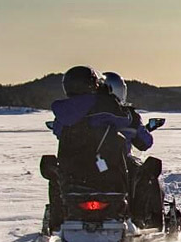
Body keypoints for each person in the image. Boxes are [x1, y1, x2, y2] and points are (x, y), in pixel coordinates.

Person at [42, 66, 166, 232]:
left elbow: (58, 130)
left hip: (74, 175)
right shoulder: (106, 105)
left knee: (56, 173)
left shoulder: (63, 112)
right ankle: (142, 218)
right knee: (144, 171)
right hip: (108, 170)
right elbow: (129, 124)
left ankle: (57, 218)